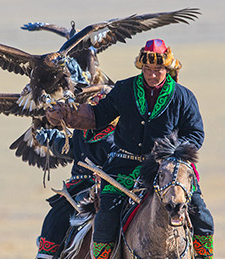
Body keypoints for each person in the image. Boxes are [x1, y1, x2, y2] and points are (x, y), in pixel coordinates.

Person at [45, 39, 214, 259]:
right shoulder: (124, 89)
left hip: (168, 167)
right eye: (147, 69)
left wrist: (173, 154)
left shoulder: (183, 96)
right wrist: (68, 114)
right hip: (124, 164)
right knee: (106, 215)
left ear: (168, 68)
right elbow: (98, 116)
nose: (152, 75)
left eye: (158, 70)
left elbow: (195, 134)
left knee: (201, 215)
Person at [34, 95, 117, 259]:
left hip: (110, 185)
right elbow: (71, 147)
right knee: (55, 218)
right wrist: (51, 139)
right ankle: (46, 255)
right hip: (77, 187)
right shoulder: (82, 130)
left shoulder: (119, 133)